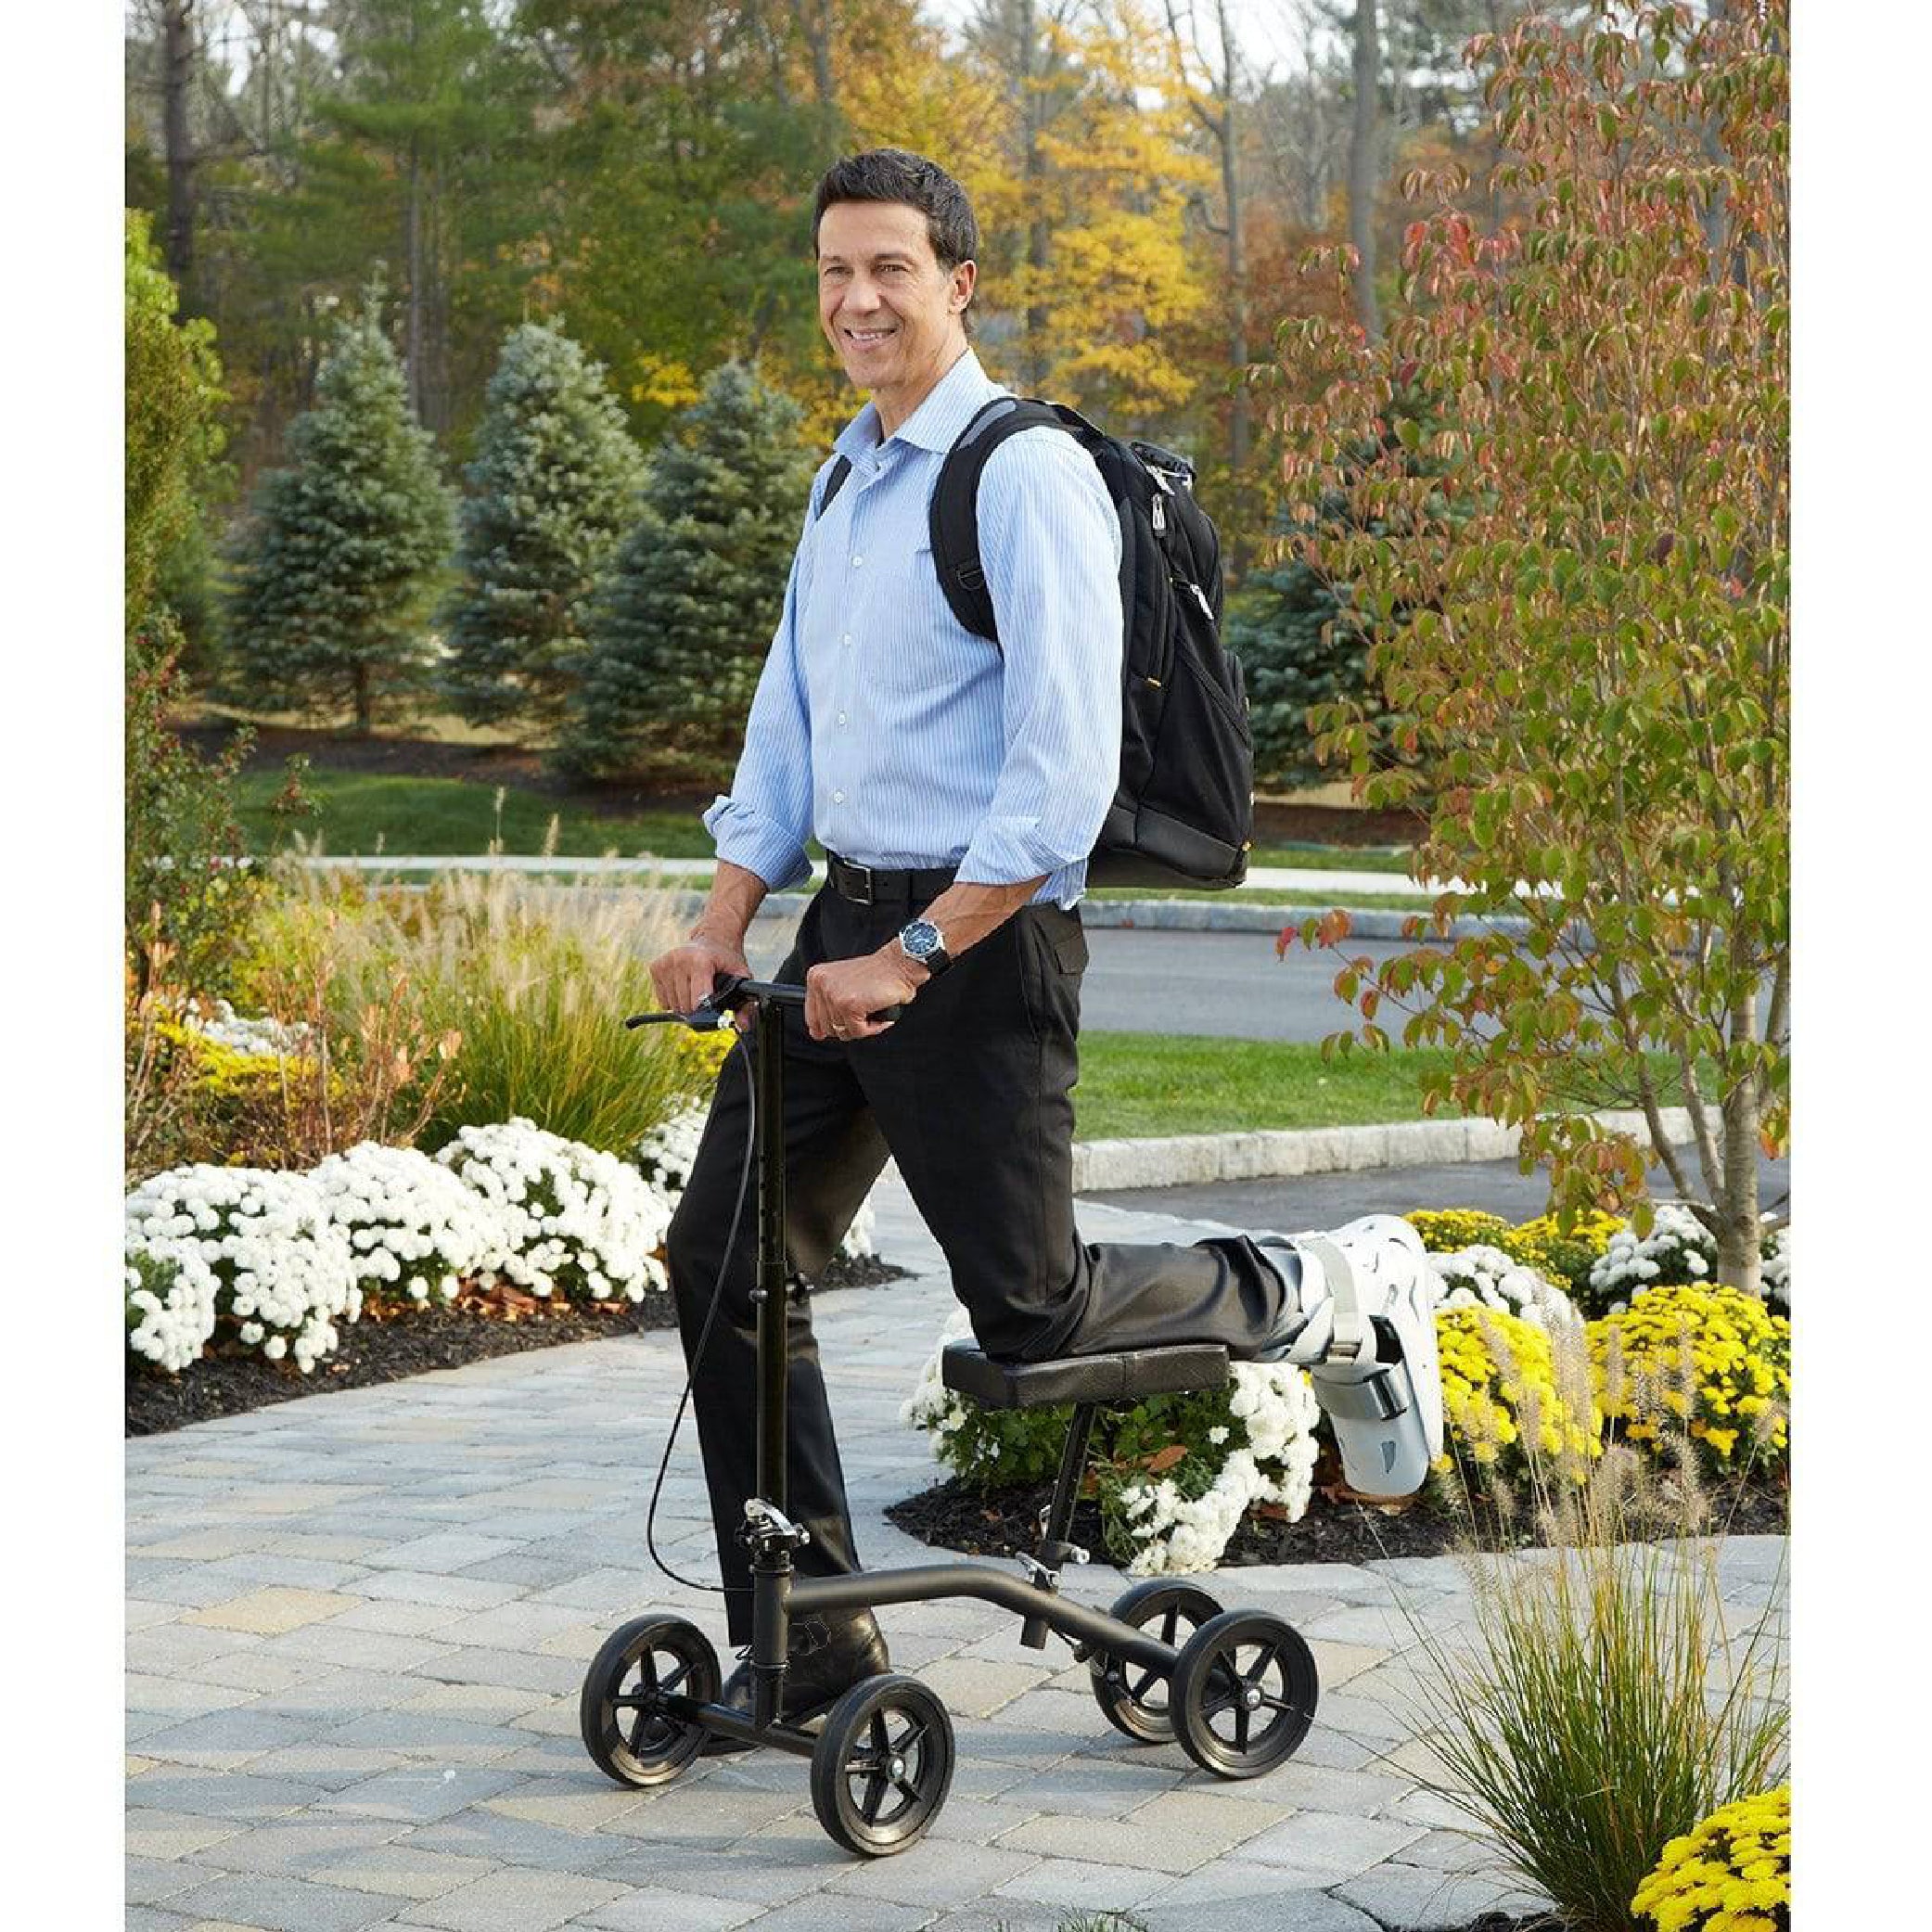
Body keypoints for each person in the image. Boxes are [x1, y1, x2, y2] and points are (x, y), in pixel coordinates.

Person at [650, 149, 1439, 1742]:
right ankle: (805, 1645)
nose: (856, 301)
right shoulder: (842, 478)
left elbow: (1062, 780)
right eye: (832, 274)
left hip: (980, 948)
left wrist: (920, 955)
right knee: (726, 1264)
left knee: (1035, 1318)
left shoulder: (1023, 477)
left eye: (888, 269)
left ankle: (1322, 1285)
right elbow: (788, 724)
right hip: (843, 931)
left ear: (959, 283)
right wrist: (728, 913)